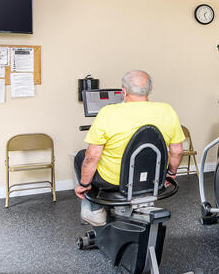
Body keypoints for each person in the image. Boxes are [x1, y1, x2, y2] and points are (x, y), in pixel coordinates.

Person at [74, 70, 184, 226]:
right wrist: (171, 174)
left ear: (123, 92)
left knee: (81, 156)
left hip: (112, 181)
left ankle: (94, 210)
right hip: (153, 178)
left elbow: (91, 156)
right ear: (150, 89)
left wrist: (84, 185)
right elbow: (177, 152)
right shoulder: (167, 111)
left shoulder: (108, 113)